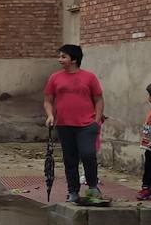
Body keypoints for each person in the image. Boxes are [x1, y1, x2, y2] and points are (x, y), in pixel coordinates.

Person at [43, 44, 106, 205]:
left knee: (87, 154)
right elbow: (48, 100)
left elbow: (98, 99)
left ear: (74, 59)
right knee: (70, 159)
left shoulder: (89, 77)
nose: (60, 60)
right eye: (60, 56)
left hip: (87, 124)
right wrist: (50, 115)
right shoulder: (55, 78)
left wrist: (96, 120)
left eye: (63, 57)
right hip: (64, 125)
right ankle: (73, 191)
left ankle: (93, 187)